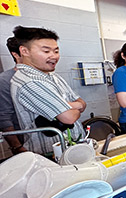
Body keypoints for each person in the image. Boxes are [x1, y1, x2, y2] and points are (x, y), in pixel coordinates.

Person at [10, 26, 86, 157]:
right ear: (24, 51)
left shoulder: (52, 76)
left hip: (72, 148)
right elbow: (69, 117)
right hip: (51, 155)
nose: (54, 56)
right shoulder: (29, 82)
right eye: (46, 51)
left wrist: (72, 105)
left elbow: (81, 102)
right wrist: (73, 107)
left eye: (56, 51)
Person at [0, 37, 27, 157]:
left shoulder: (46, 76)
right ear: (16, 54)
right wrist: (17, 147)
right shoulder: (5, 80)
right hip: (26, 141)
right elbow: (4, 117)